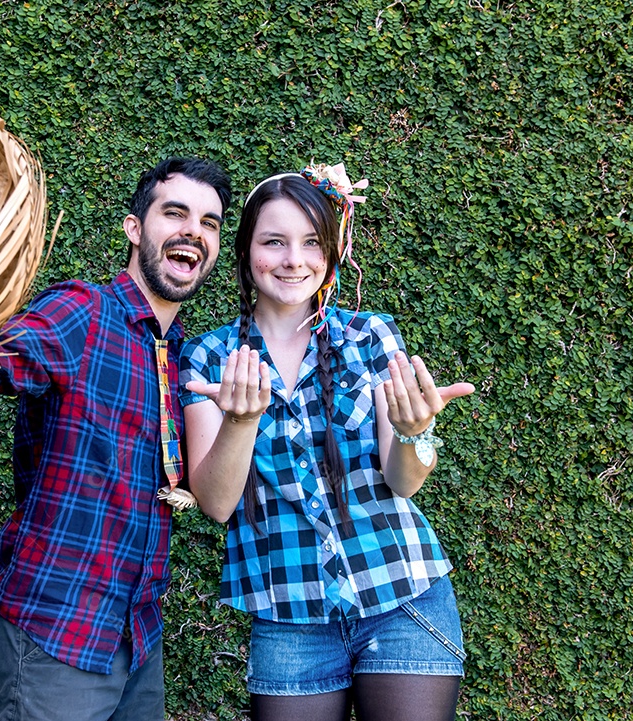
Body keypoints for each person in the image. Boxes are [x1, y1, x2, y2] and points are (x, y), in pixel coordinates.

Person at [0, 157, 232, 721]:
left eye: (209, 223)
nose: (192, 232)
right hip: (53, 632)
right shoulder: (82, 313)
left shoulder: (183, 356)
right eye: (174, 213)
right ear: (135, 229)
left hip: (139, 642)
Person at [180, 166, 475, 721]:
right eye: (274, 242)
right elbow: (217, 505)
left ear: (332, 251)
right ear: (245, 253)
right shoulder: (208, 359)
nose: (295, 260)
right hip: (289, 619)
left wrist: (416, 433)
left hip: (404, 599)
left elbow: (403, 480)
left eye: (312, 242)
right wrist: (241, 422)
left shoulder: (371, 336)